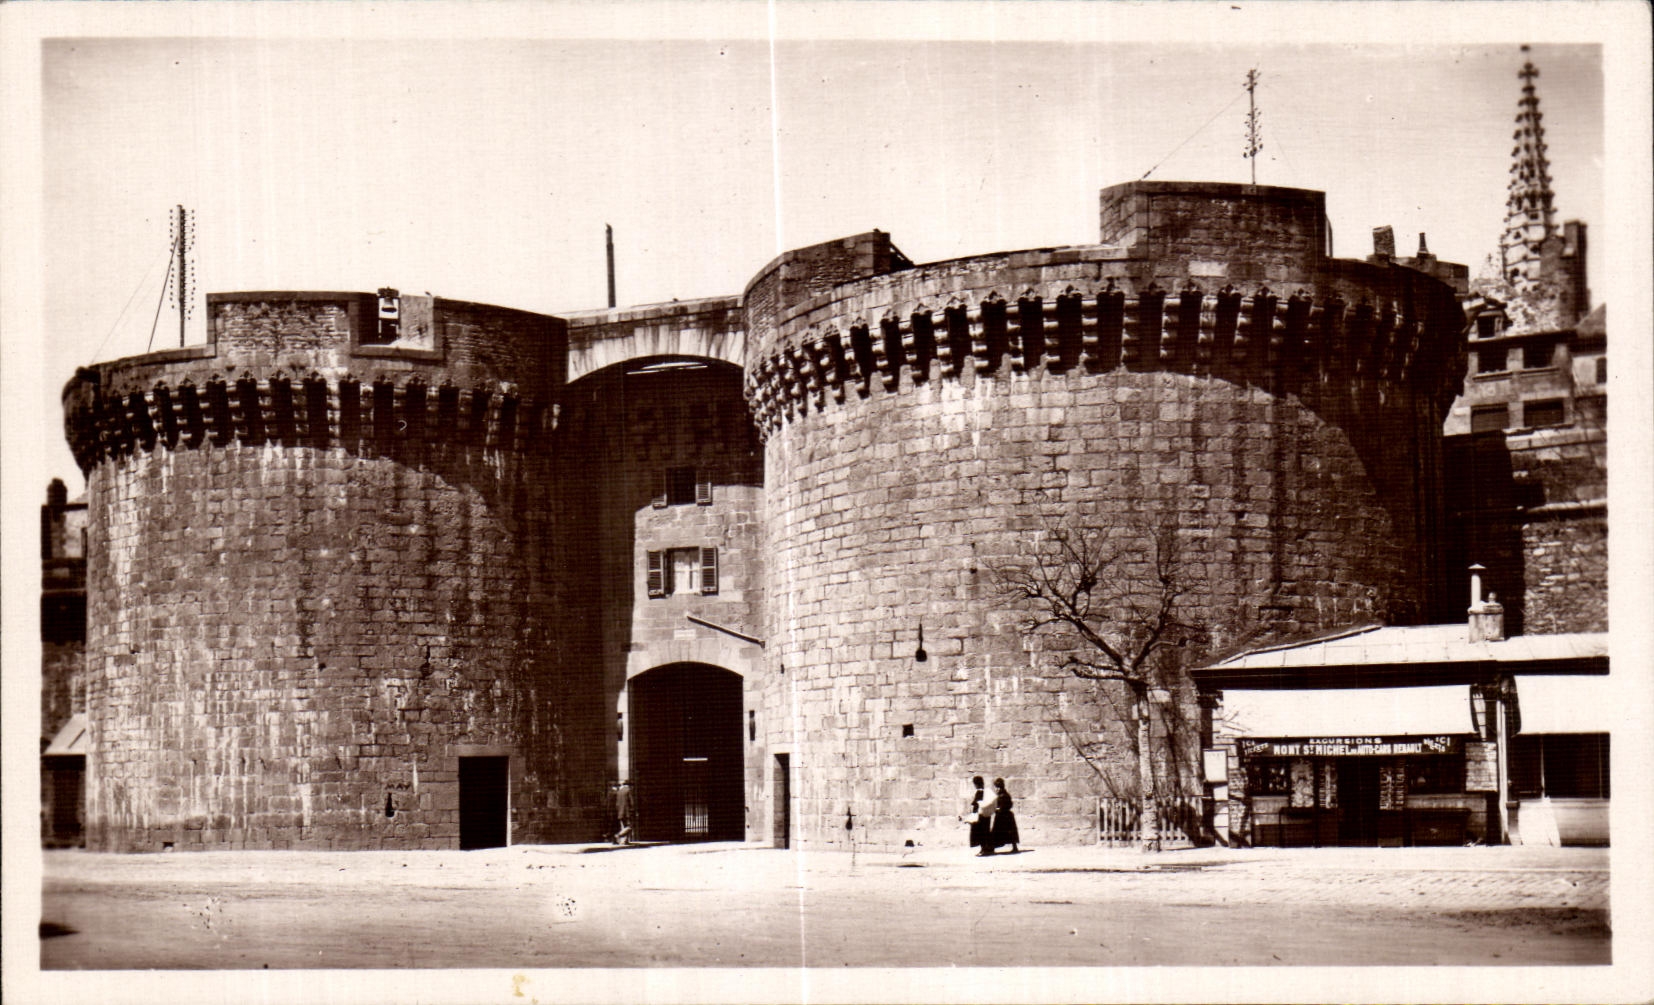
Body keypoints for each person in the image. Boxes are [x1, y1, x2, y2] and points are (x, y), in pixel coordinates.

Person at [989, 777, 1020, 854]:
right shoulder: (1003, 795)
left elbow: (1007, 805)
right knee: (1005, 832)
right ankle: (993, 847)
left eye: (997, 787)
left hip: (1003, 816)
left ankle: (992, 848)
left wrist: (999, 809)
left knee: (1001, 832)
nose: (996, 789)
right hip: (1004, 815)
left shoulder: (1003, 795)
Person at [964, 776, 992, 852]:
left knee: (980, 833)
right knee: (985, 832)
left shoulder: (979, 792)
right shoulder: (986, 792)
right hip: (986, 815)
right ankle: (986, 848)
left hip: (980, 816)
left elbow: (976, 803)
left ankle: (983, 849)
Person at [614, 780, 635, 845]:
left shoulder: (619, 792)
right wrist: (633, 810)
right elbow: (632, 802)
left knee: (624, 826)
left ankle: (625, 841)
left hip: (620, 812)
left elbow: (617, 804)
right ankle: (618, 835)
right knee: (630, 826)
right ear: (629, 785)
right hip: (627, 812)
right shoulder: (628, 791)